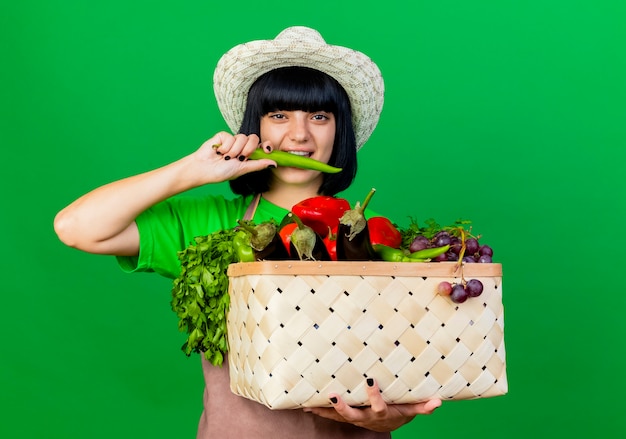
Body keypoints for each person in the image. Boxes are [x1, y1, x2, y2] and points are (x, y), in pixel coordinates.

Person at [54, 26, 442, 438]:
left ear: (339, 130)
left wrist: (395, 416)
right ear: (253, 127)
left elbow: (403, 370)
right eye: (278, 115)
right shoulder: (210, 226)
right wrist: (191, 171)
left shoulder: (375, 232)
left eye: (319, 116)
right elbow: (77, 227)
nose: (298, 134)